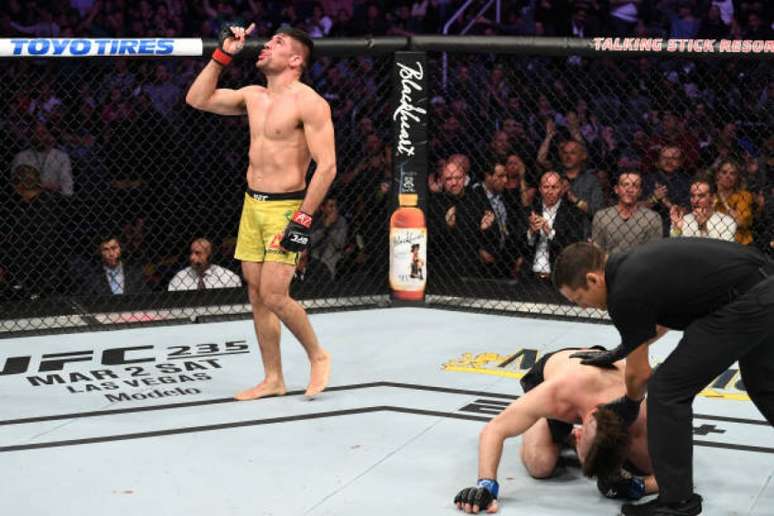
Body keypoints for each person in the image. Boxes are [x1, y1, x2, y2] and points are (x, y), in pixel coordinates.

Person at [552, 239, 774, 515]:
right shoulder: (629, 266)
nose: (583, 307)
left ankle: (677, 502)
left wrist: (630, 405)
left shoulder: (622, 293)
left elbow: (641, 373)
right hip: (764, 285)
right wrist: (621, 351)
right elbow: (660, 318)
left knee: (667, 390)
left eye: (579, 299)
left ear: (592, 279)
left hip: (746, 302)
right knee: (764, 384)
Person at [186, 24, 335, 399]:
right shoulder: (253, 95)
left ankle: (318, 355)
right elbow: (197, 99)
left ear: (296, 59)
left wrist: (301, 221)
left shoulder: (310, 102)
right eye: (268, 41)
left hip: (287, 208)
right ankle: (274, 378)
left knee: (275, 294)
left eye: (278, 42)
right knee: (255, 294)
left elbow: (328, 166)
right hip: (252, 205)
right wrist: (224, 55)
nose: (266, 46)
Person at [453, 348, 657, 514]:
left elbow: (674, 473)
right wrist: (486, 485)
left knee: (645, 465)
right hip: (560, 366)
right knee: (539, 464)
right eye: (578, 442)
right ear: (578, 433)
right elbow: (494, 429)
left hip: (605, 371)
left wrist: (639, 487)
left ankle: (564, 440)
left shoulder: (639, 414)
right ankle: (545, 425)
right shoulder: (555, 394)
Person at [592, 170, 662, 256]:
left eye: (635, 186)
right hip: (609, 267)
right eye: (625, 185)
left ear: (640, 192)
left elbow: (653, 254)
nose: (629, 190)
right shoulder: (601, 216)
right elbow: (597, 253)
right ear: (616, 189)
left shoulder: (652, 218)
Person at [669, 177, 736, 241]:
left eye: (701, 196)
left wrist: (703, 228)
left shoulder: (727, 223)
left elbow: (721, 251)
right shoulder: (683, 220)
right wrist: (677, 229)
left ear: (713, 198)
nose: (695, 200)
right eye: (692, 196)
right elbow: (673, 248)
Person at [80, 235, 148, 296]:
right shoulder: (92, 277)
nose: (111, 254)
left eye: (114, 248)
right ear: (100, 252)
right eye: (105, 249)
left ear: (120, 249)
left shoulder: (135, 271)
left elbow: (146, 296)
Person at [168, 238, 242, 291]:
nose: (191, 257)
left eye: (198, 253)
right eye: (191, 253)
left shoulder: (228, 278)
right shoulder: (180, 278)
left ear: (210, 255)